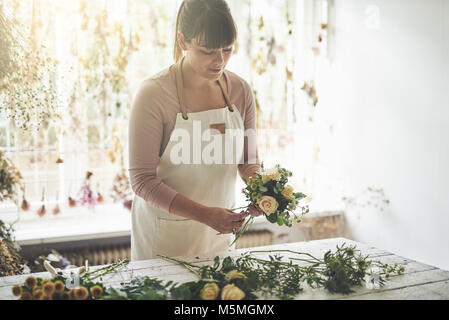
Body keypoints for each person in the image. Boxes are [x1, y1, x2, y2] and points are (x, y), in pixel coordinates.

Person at [128, 0, 262, 261]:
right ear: (182, 41)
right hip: (163, 240)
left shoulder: (240, 90)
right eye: (206, 51)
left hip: (218, 237)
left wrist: (262, 190)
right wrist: (205, 214)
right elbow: (142, 180)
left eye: (227, 49)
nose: (219, 61)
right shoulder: (154, 94)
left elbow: (249, 160)